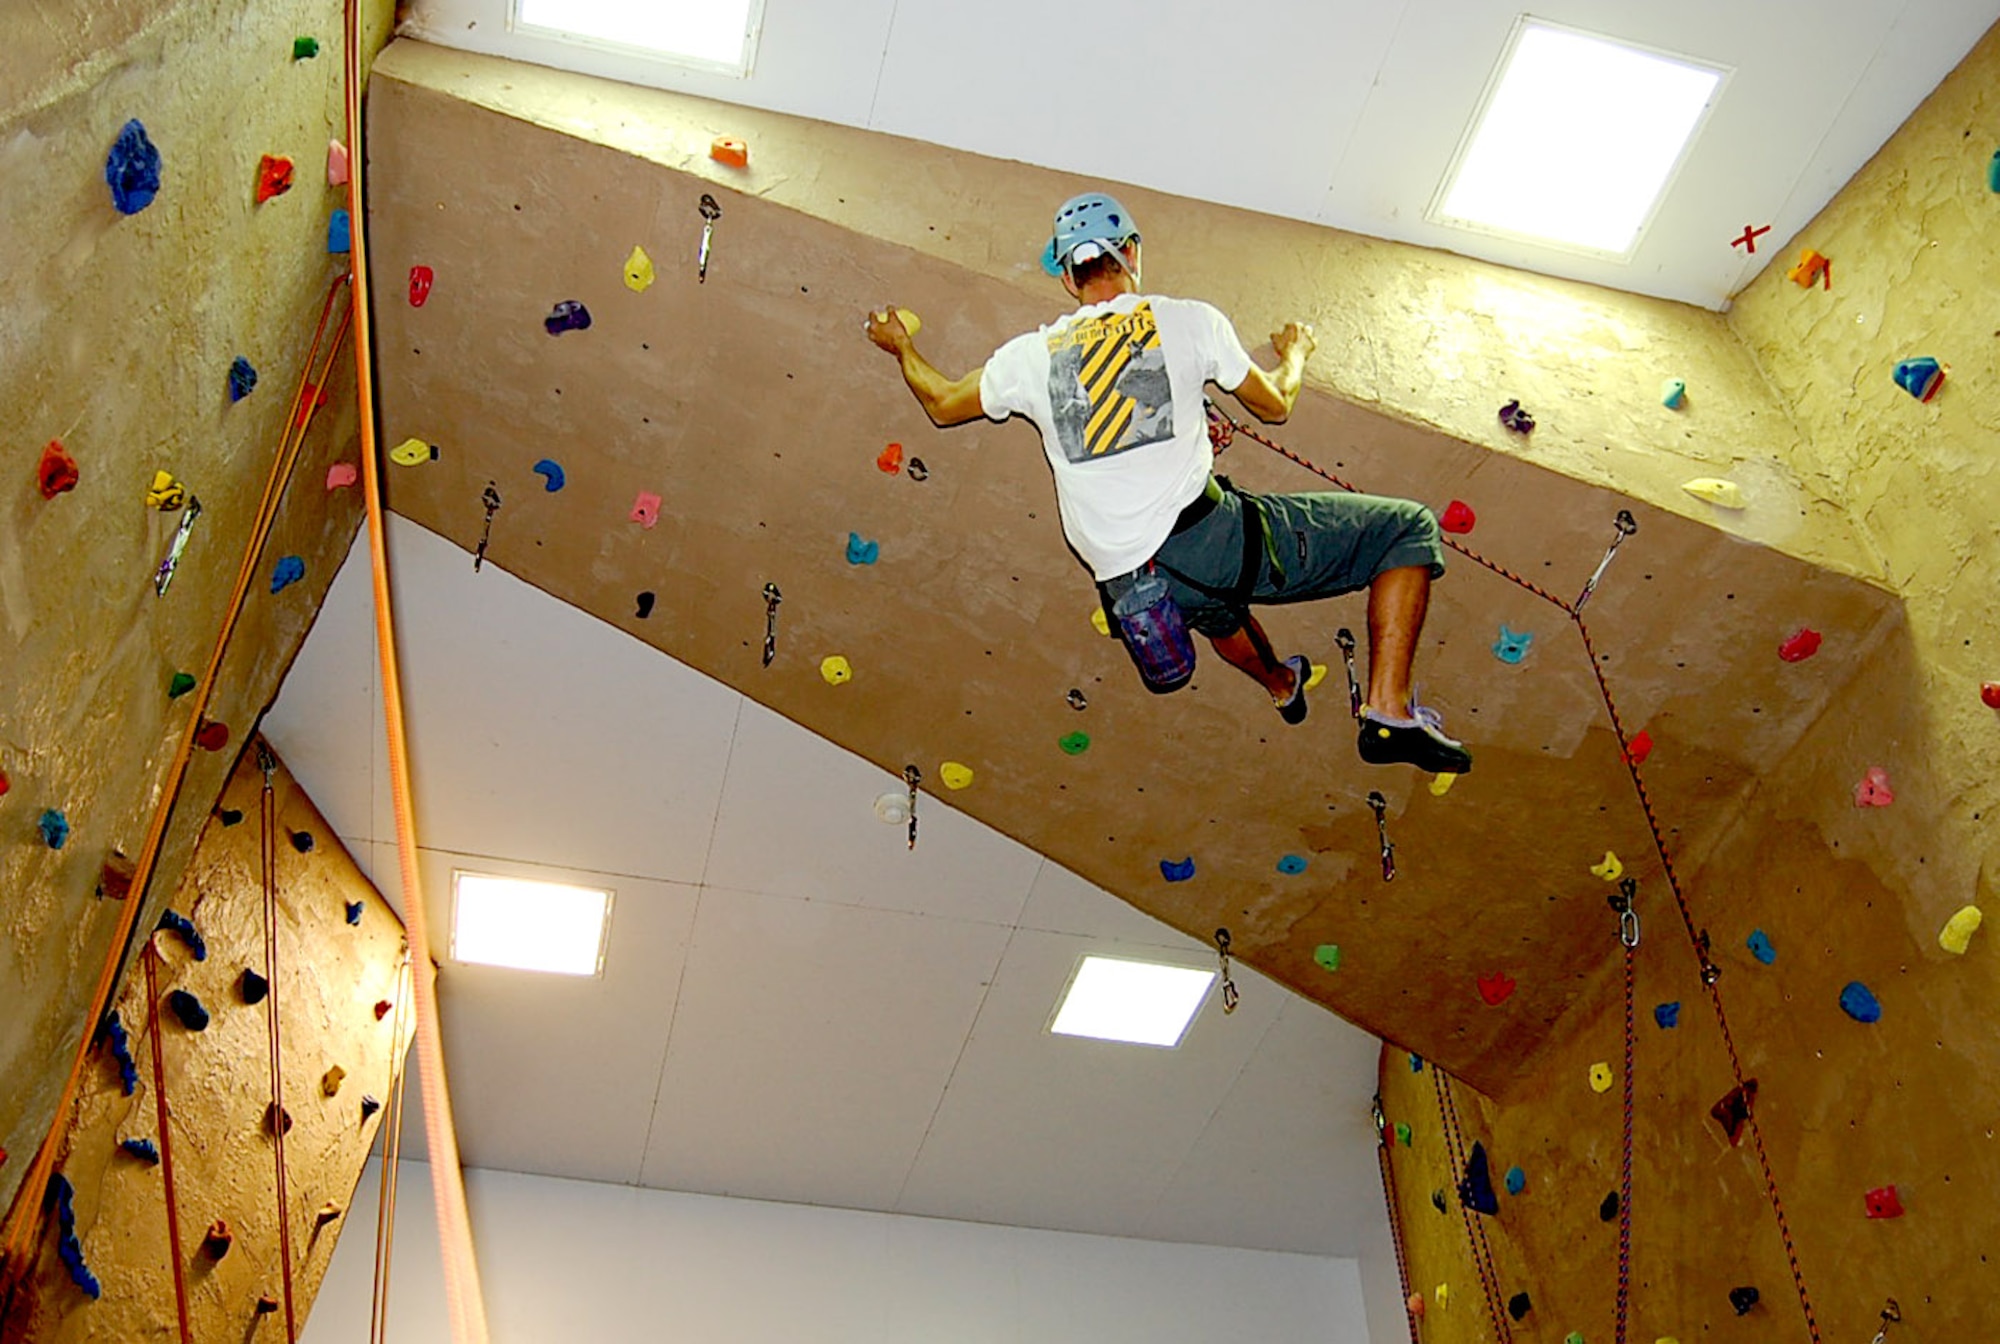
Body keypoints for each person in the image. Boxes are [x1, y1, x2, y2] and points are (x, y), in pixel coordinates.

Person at [864, 191, 1471, 775]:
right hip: (1208, 539)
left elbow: (942, 402)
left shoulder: (1031, 357)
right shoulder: (1187, 321)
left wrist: (901, 345)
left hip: (1132, 587)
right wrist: (1298, 352)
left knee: (1218, 613)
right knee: (1407, 527)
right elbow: (1277, 404)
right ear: (1131, 252)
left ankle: (1283, 686)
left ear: (1068, 279)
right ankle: (1389, 713)